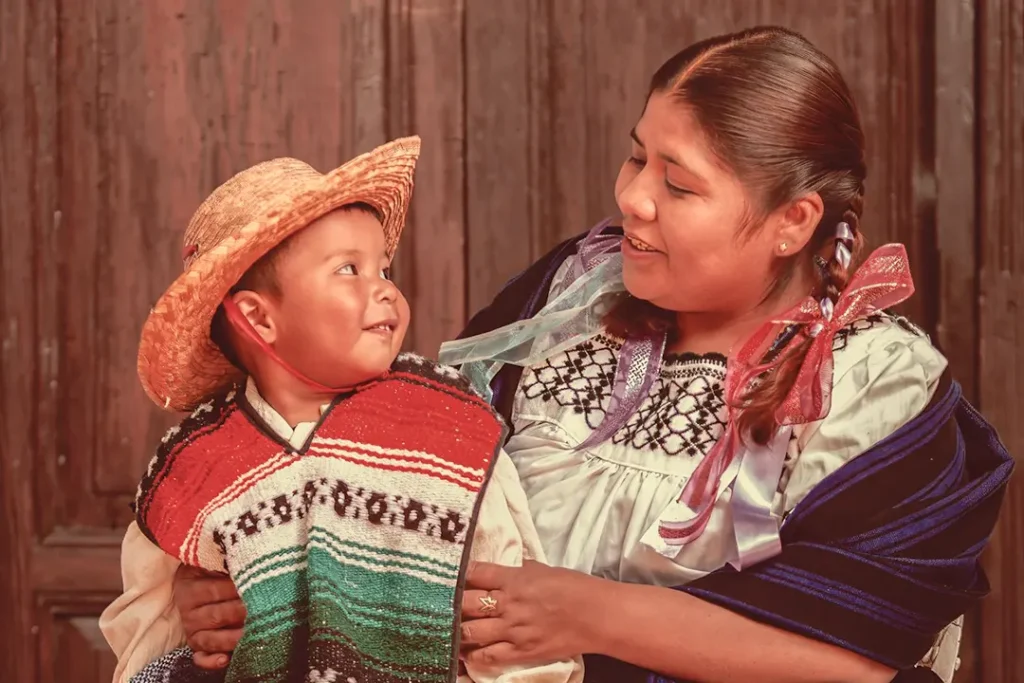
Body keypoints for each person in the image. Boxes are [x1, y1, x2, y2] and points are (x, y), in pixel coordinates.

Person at [127, 26, 1014, 683]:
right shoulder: (567, 300)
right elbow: (386, 464)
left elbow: (864, 655)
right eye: (636, 158)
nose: (634, 198)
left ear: (794, 222)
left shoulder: (880, 389)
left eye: (679, 184)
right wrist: (254, 581)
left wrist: (590, 614)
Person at [99, 137, 581, 683]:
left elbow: (512, 612)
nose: (386, 291)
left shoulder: (448, 431)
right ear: (258, 319)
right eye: (349, 270)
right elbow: (149, 630)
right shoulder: (195, 467)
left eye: (384, 271)